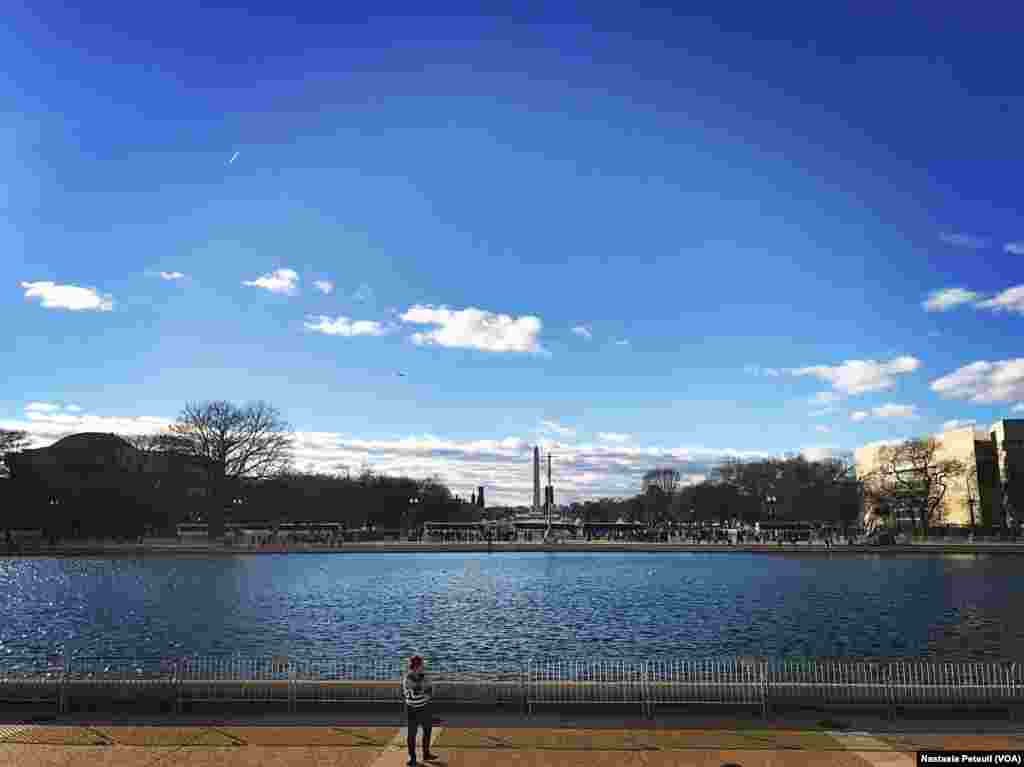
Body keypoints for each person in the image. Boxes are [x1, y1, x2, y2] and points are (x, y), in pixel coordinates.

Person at [403, 655, 438, 765]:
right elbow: (415, 693)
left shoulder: (424, 676)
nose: (424, 667)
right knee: (412, 734)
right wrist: (425, 689)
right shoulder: (408, 679)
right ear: (416, 666)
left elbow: (431, 690)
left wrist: (425, 689)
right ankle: (412, 758)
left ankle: (426, 754)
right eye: (422, 665)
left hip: (424, 707)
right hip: (412, 709)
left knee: (428, 731)